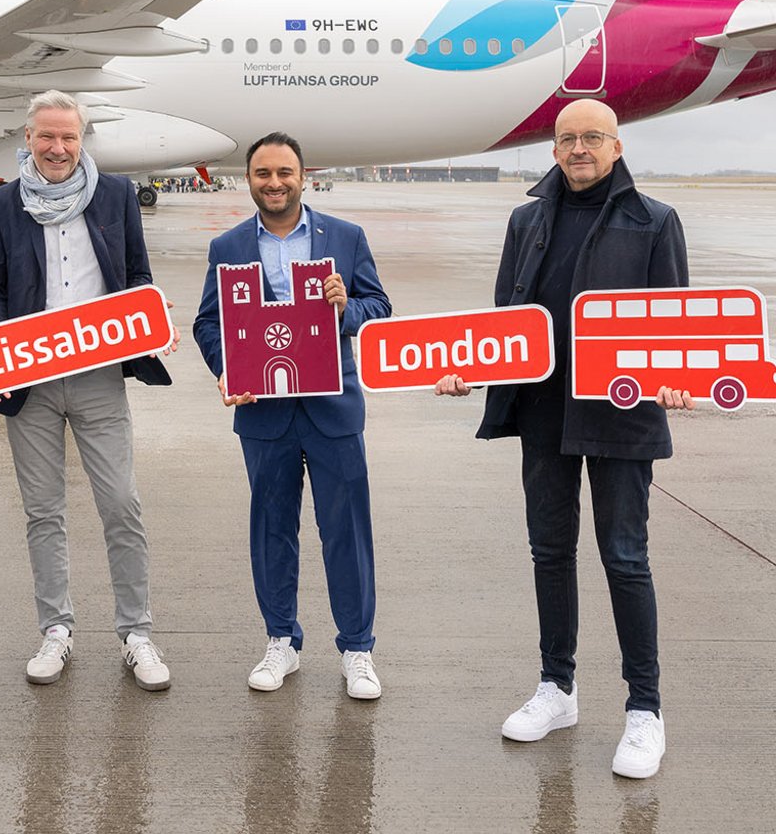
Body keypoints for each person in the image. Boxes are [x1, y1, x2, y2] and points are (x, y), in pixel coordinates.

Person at [436, 98, 691, 779]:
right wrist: (468, 369)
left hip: (620, 417)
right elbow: (501, 320)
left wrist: (673, 378)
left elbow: (674, 329)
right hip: (544, 414)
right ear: (554, 150)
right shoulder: (527, 220)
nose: (579, 148)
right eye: (567, 138)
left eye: (592, 138)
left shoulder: (654, 222)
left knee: (624, 557)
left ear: (616, 147)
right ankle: (558, 688)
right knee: (549, 550)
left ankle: (645, 709)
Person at [0, 90, 174, 691]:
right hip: (29, 378)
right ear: (26, 138)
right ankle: (55, 631)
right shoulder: (3, 205)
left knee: (121, 505)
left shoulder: (112, 197)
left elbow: (137, 276)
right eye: (47, 137)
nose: (58, 148)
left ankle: (136, 633)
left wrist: (148, 319)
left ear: (82, 140)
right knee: (43, 512)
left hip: (98, 376)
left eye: (69, 137)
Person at [193, 132, 391, 699]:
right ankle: (281, 640)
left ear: (304, 176)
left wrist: (346, 307)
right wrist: (226, 369)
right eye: (262, 174)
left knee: (346, 533)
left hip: (333, 409)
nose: (274, 183)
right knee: (272, 531)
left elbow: (379, 306)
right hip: (264, 412)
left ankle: (357, 648)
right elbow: (209, 324)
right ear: (248, 179)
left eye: (284, 173)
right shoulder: (228, 245)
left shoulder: (345, 238)